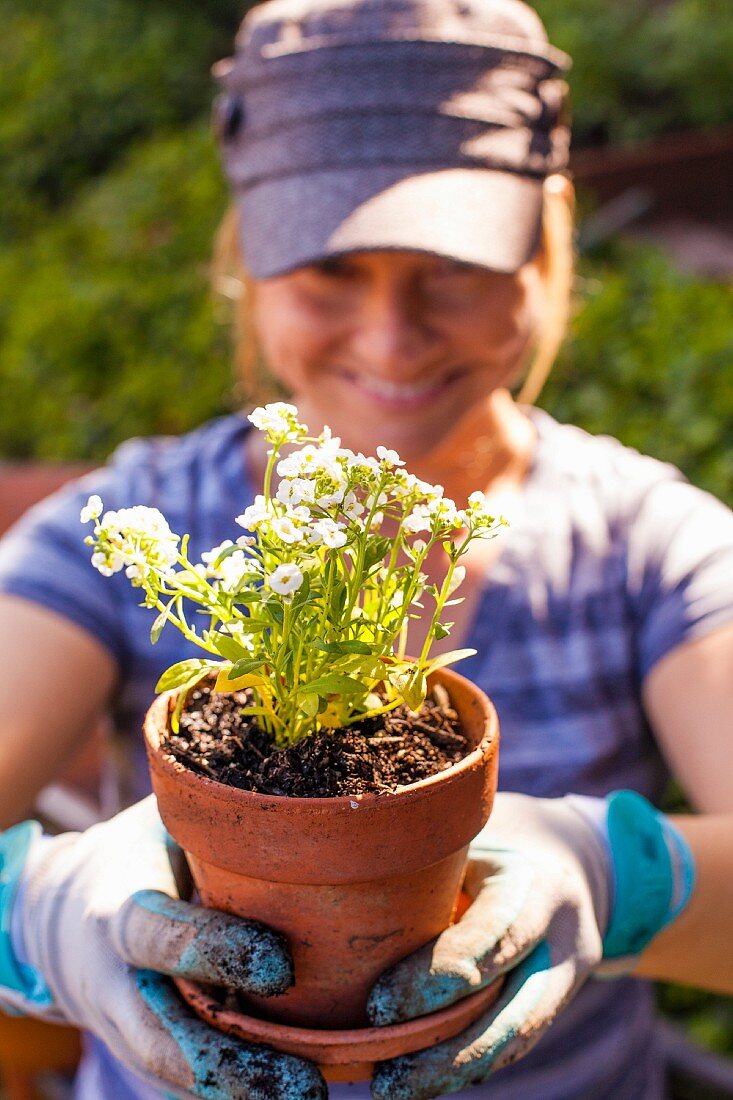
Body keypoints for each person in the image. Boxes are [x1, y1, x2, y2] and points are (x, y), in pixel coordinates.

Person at [0, 0, 732, 1097]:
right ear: (245, 251)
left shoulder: (644, 547)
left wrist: (621, 876)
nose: (392, 335)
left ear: (550, 238)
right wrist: (37, 908)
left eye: (452, 264)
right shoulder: (125, 521)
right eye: (331, 268)